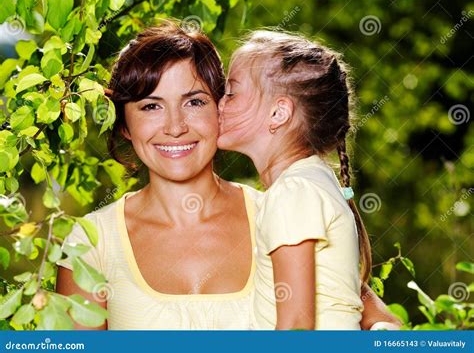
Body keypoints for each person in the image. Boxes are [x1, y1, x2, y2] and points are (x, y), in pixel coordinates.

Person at [56, 21, 400, 330]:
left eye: (194, 102)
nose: (175, 127)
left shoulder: (276, 211)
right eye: (151, 106)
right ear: (125, 126)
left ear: (222, 107)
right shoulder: (91, 242)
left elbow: (370, 318)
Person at [218, 30, 376, 330]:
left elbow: (296, 327)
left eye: (231, 92)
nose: (219, 103)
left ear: (278, 113)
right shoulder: (312, 179)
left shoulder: (294, 191)